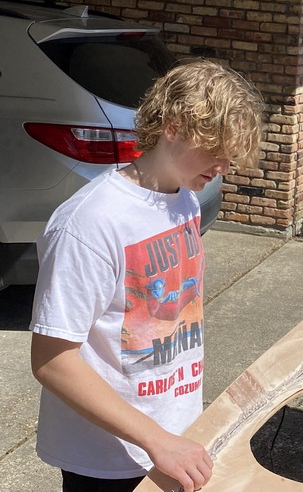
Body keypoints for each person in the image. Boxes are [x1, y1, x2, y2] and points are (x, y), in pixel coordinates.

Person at [30, 60, 263, 492]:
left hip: (174, 436)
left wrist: (172, 433)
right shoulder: (89, 223)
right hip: (106, 458)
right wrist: (157, 440)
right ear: (173, 126)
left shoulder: (186, 201)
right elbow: (51, 360)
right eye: (216, 149)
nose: (224, 166)